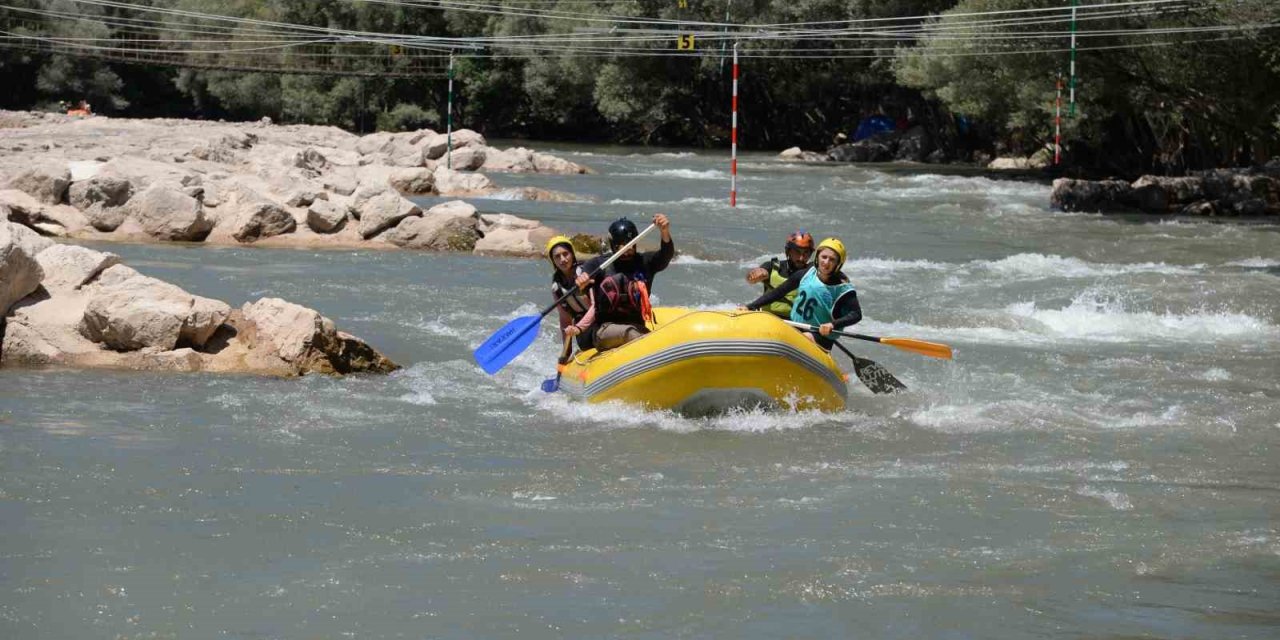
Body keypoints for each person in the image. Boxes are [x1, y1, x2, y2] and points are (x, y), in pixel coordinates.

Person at [742, 237, 861, 351]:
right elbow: (779, 292)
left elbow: (856, 314)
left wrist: (833, 324)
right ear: (818, 257)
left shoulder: (842, 288)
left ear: (838, 263)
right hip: (794, 326)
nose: (826, 262)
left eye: (832, 259)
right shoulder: (806, 274)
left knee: (803, 339)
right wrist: (750, 306)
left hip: (819, 335)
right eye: (824, 257)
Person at [579, 213, 674, 351]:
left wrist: (664, 231)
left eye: (630, 246)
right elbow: (582, 279)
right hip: (605, 330)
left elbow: (666, 255)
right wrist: (582, 280)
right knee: (630, 333)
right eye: (621, 247)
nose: (626, 252)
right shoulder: (598, 265)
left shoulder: (645, 262)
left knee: (636, 333)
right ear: (613, 246)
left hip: (638, 327)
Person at [546, 235, 596, 359]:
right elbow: (565, 320)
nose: (563, 259)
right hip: (583, 330)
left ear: (572, 254)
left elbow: (597, 306)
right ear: (553, 261)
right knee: (585, 341)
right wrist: (566, 352)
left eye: (565, 254)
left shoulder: (586, 273)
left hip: (601, 319)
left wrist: (579, 328)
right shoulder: (556, 288)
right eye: (557, 256)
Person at [745, 230, 814, 319]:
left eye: (806, 253)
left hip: (793, 322)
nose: (801, 258)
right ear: (788, 251)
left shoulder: (811, 271)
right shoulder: (772, 266)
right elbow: (752, 276)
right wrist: (756, 275)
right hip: (768, 317)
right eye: (797, 252)